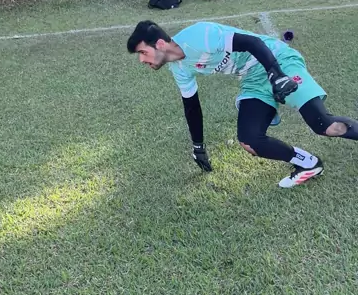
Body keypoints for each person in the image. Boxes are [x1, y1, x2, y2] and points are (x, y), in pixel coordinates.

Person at [126, 19, 358, 188]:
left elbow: (251, 42)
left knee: (325, 126)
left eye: (143, 52)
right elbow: (192, 106)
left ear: (160, 44)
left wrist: (276, 74)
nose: (141, 60)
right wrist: (198, 146)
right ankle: (309, 163)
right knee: (250, 140)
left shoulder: (199, 36)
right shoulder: (179, 68)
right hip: (253, 80)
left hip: (277, 61)